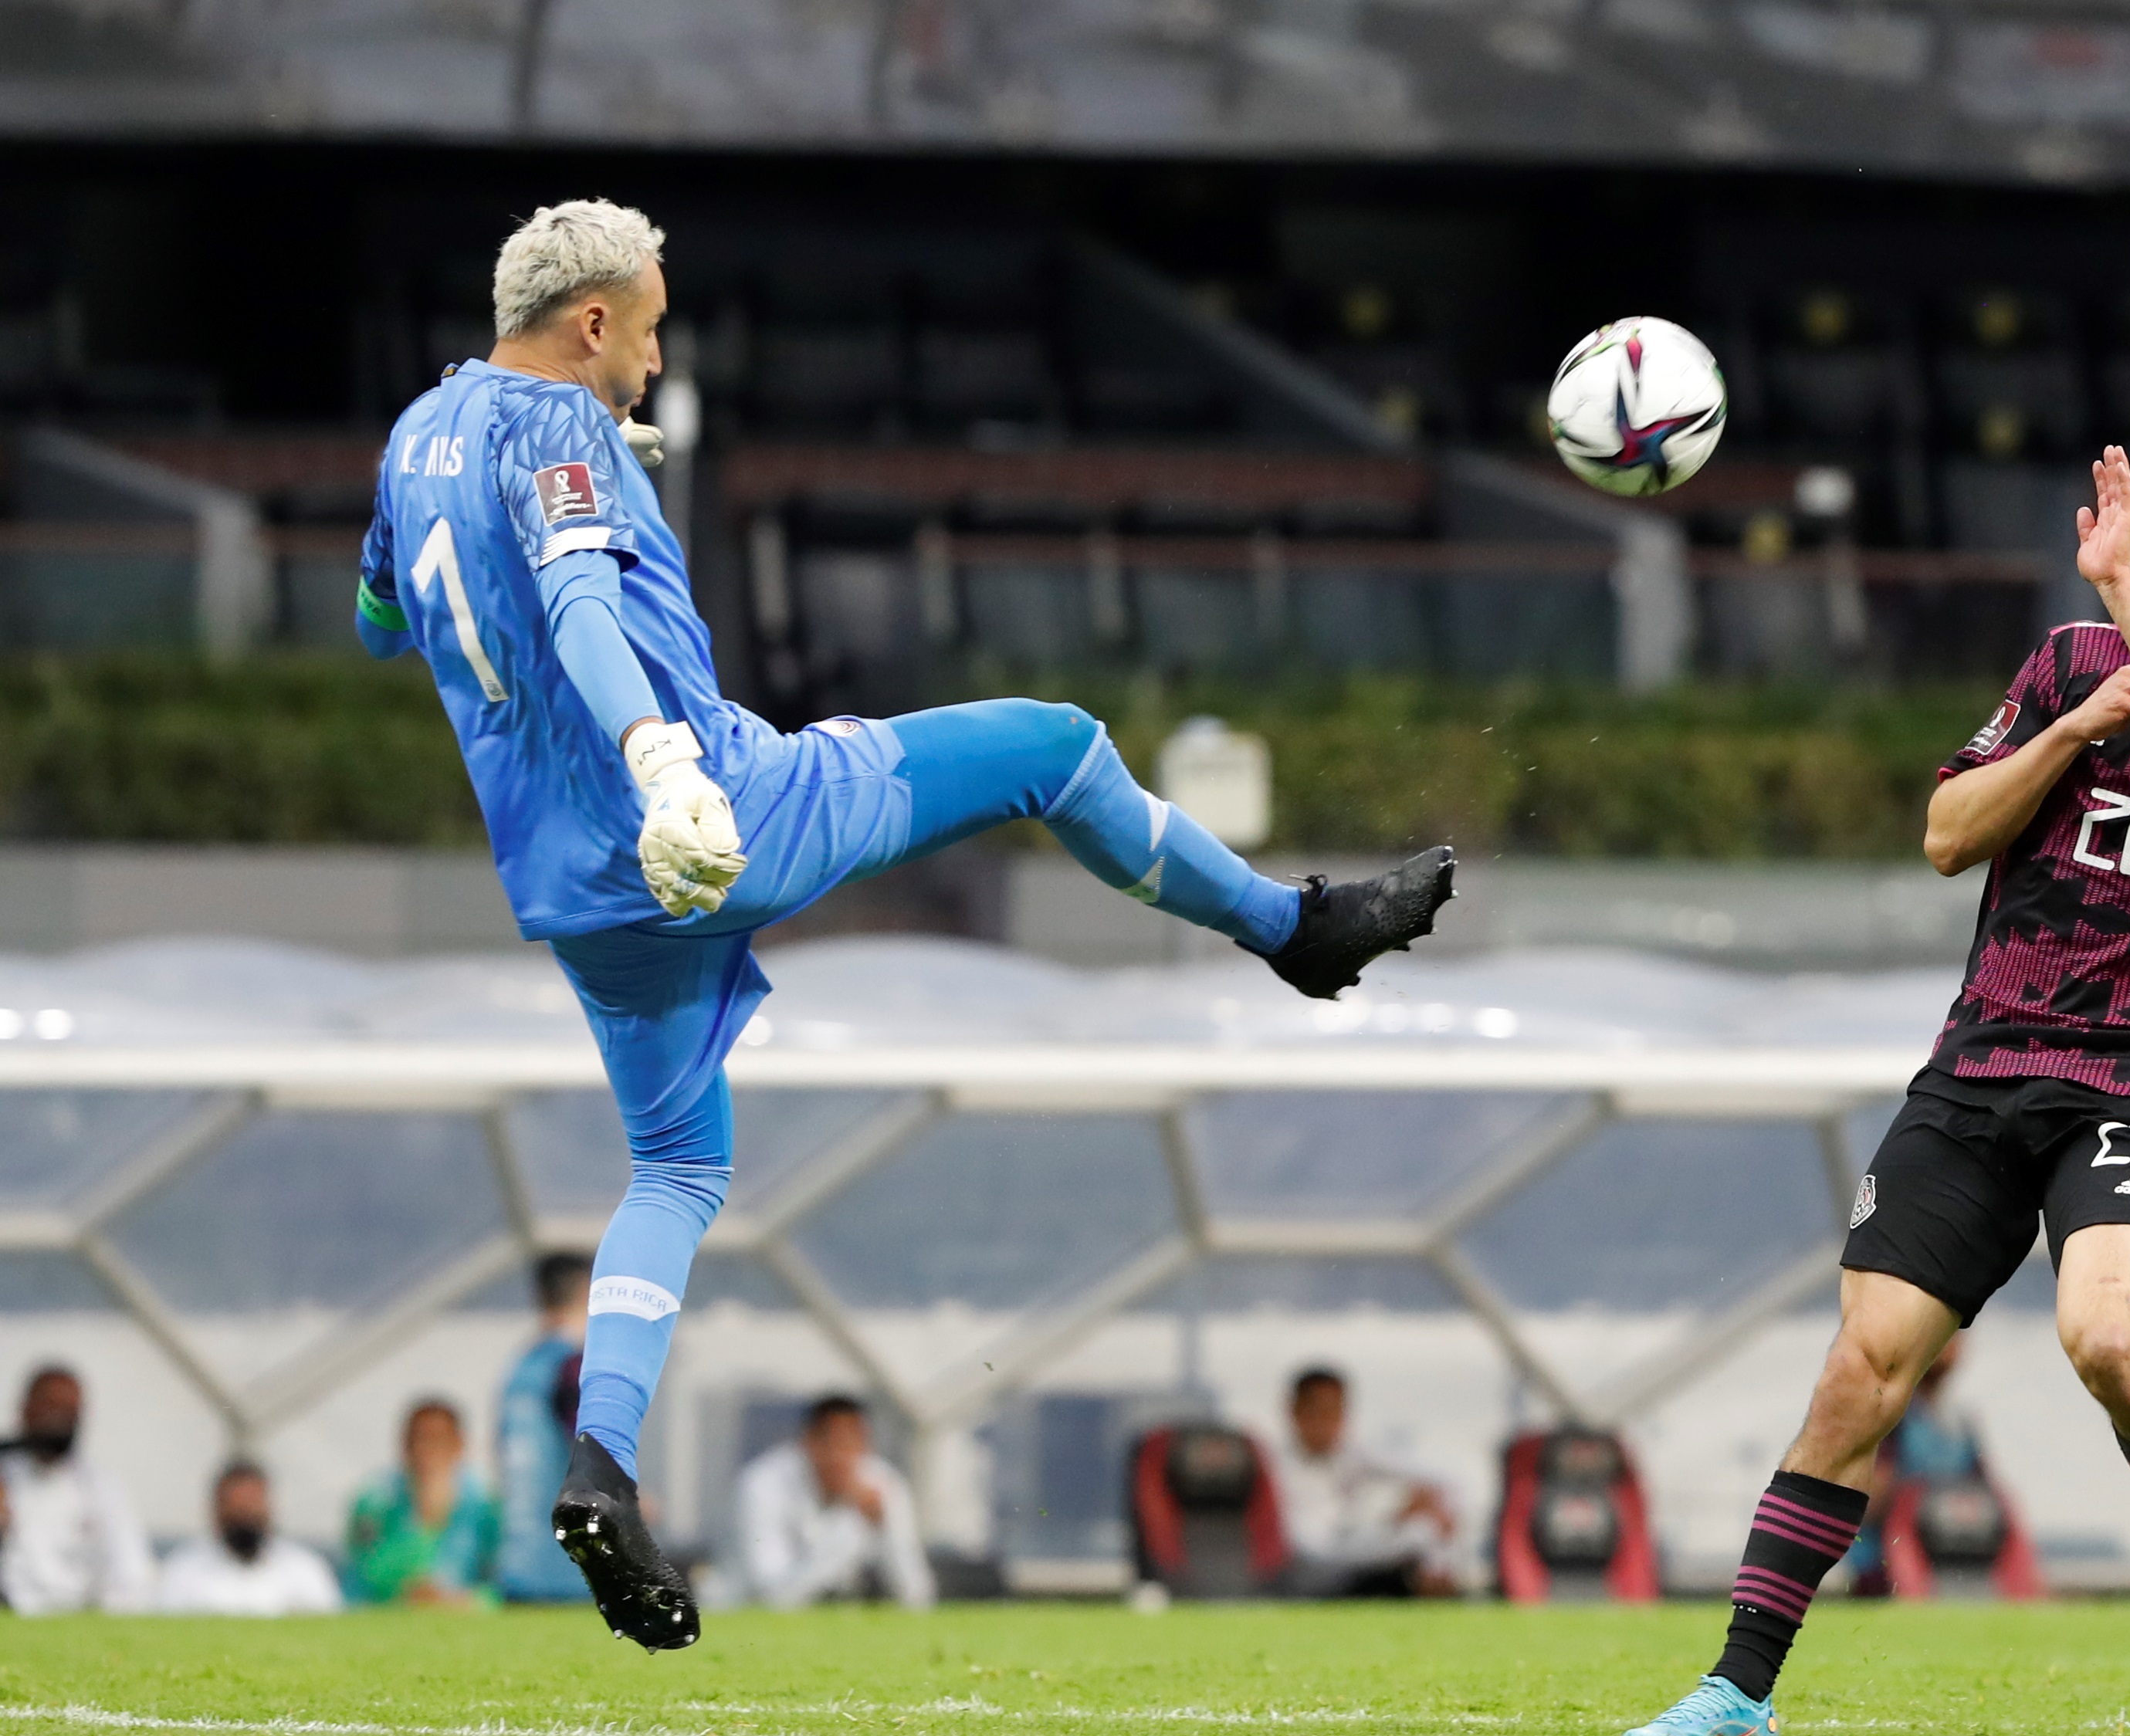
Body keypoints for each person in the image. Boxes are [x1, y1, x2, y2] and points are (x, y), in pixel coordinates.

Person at [355, 198, 1453, 1650]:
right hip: (717, 810)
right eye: (655, 325)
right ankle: (1294, 929)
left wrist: (564, 524)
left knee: (677, 1163)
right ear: (596, 323)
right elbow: (570, 601)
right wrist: (666, 761)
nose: (657, 354)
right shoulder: (558, 432)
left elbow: (385, 616)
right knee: (1054, 746)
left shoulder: (414, 438)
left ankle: (602, 1463)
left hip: (574, 889)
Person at [1630, 452, 2130, 1736]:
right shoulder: (2068, 666)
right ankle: (1737, 1689)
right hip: (1984, 1064)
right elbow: (1949, 832)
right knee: (1860, 1371)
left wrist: (2124, 596)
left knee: (2111, 1340)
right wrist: (2073, 726)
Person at [1270, 1367, 1457, 1596]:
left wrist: (1425, 1514)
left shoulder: (1351, 1455)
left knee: (1426, 1528)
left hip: (1357, 1564)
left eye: (1335, 1412)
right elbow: (1316, 1552)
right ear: (1294, 1411)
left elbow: (1439, 1480)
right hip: (1308, 1581)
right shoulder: (1273, 1468)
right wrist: (1395, 1523)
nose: (1327, 1423)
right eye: (1318, 1412)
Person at [733, 1396, 930, 1609]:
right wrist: (855, 1525)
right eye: (831, 1442)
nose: (841, 1456)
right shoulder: (763, 1485)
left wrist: (886, 1528)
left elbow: (916, 1593)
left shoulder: (883, 1484)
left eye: (852, 1443)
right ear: (808, 1441)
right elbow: (772, 1598)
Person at [0, 1365, 154, 1615]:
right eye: (49, 1404)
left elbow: (132, 1575)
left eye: (69, 1408)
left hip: (77, 1619)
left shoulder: (102, 1487)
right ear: (25, 1409)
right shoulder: (5, 1475)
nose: (58, 1416)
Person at [1836, 1329, 1983, 1588]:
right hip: (1885, 1562)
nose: (1952, 1347)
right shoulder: (1893, 1414)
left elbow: (1983, 1489)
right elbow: (1868, 1499)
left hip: (1950, 1556)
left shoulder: (1959, 1422)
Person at [496, 1252, 591, 1604]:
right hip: (569, 1569)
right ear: (587, 1293)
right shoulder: (571, 1364)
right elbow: (588, 1442)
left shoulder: (522, 1368)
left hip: (519, 1563)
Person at [344, 1399, 502, 1607]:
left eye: (438, 1440)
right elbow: (360, 1579)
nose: (426, 1451)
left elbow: (502, 1578)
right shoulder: (376, 1502)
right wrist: (425, 1525)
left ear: (459, 1445)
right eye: (419, 1440)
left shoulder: (485, 1502)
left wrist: (469, 1601)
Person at [154, 1461, 344, 1617]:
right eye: (236, 1510)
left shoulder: (304, 1569)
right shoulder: (183, 1571)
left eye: (252, 1507)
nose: (245, 1518)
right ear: (216, 1511)